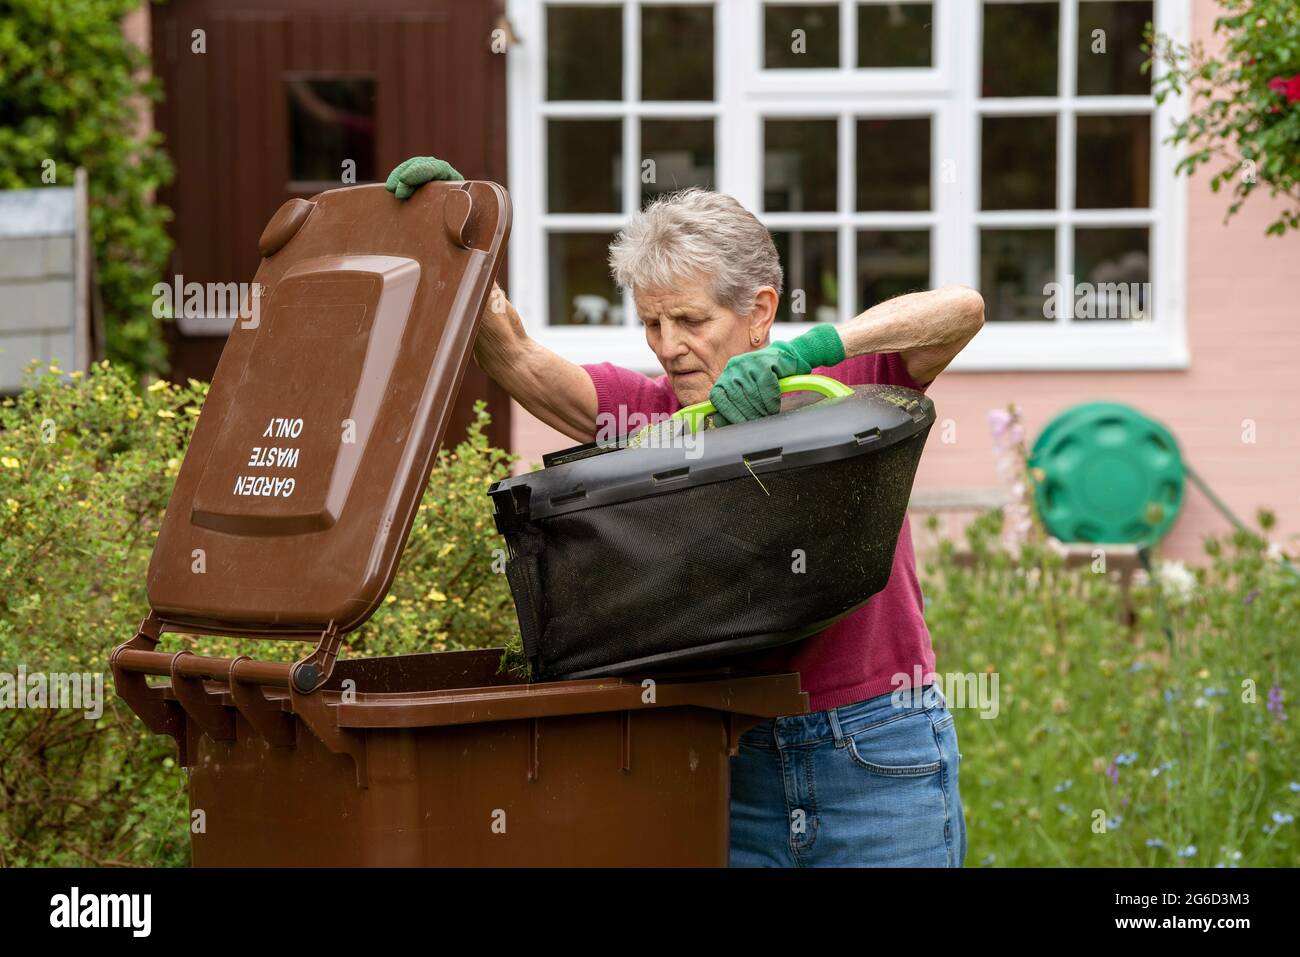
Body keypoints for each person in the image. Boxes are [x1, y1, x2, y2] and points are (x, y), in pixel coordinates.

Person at [387, 157, 984, 867]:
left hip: (876, 750)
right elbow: (513, 355)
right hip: (730, 756)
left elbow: (961, 311)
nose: (668, 345)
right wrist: (461, 236)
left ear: (759, 310)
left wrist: (812, 350)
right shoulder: (646, 418)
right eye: (651, 322)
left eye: (691, 320)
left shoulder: (845, 389)